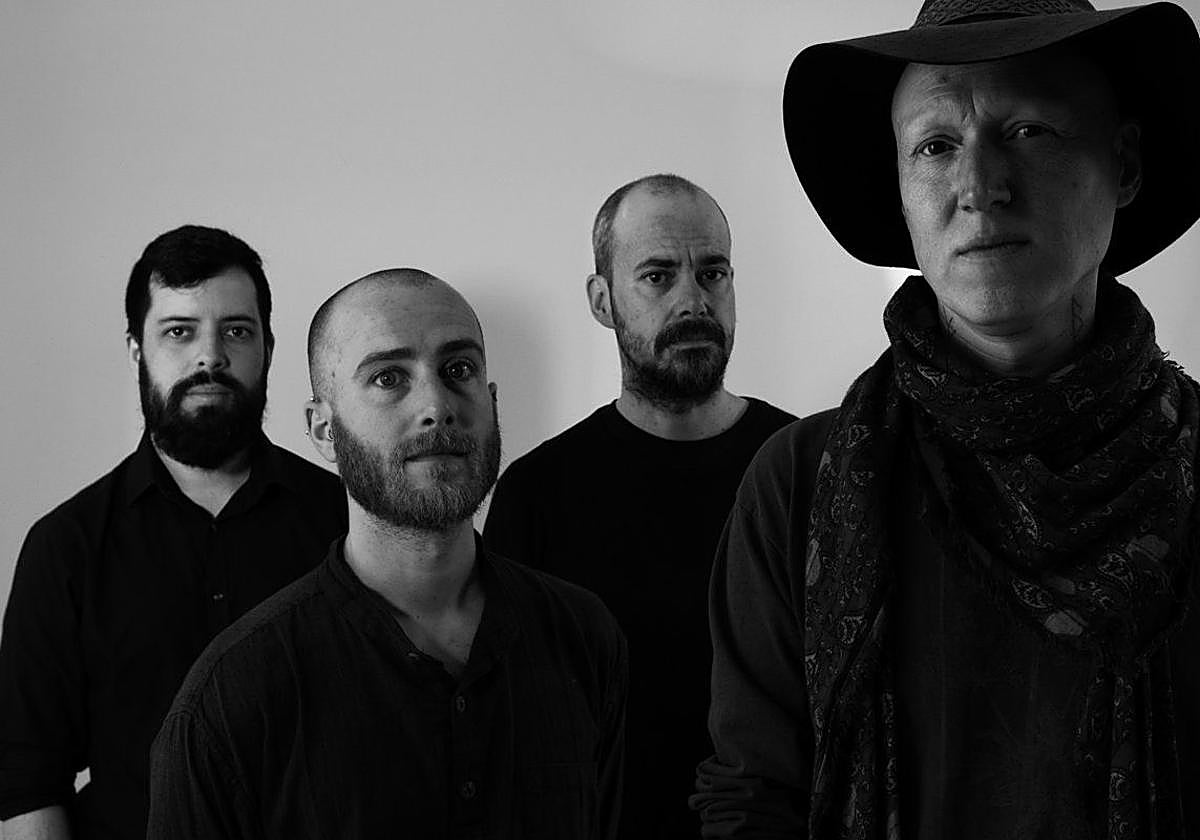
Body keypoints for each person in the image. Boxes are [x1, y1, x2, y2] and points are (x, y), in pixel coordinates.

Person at [694, 1, 1200, 837]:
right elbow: (751, 799)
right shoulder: (800, 485)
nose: (979, 186)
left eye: (1028, 130)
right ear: (900, 193)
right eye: (935, 146)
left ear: (1125, 164)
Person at [146, 268, 628, 839]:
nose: (436, 405)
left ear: (492, 401)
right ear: (323, 430)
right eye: (388, 377)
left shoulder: (582, 636)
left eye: (459, 370)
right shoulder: (233, 698)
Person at [0, 225, 347, 840]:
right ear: (137, 350)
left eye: (236, 331)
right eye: (179, 332)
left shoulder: (345, 520)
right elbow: (27, 780)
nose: (209, 357)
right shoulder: (66, 547)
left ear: (267, 347)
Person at [485, 174, 796, 837]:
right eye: (658, 277)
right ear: (602, 301)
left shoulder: (804, 468)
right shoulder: (538, 493)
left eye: (713, 273)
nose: (694, 301)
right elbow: (512, 727)